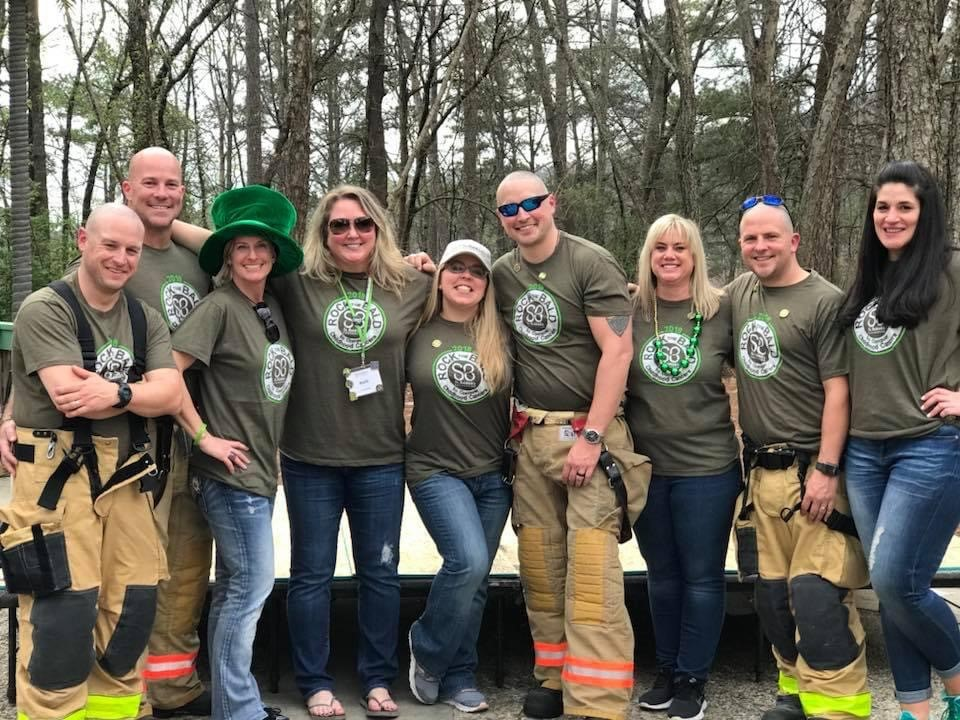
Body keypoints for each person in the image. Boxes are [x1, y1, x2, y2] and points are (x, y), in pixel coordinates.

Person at [0, 146, 217, 718]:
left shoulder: (144, 315)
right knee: (63, 616)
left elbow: (169, 392)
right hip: (58, 472)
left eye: (131, 249)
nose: (121, 258)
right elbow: (72, 396)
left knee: (130, 611)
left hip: (131, 471)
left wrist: (118, 393)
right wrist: (139, 392)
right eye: (110, 246)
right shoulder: (48, 307)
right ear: (83, 242)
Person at [492, 171, 648, 720]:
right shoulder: (501, 274)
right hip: (531, 438)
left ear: (552, 203)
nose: (522, 215)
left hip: (591, 436)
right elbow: (454, 295)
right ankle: (553, 678)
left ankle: (598, 700)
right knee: (540, 564)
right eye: (510, 208)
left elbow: (619, 353)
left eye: (531, 202)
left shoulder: (590, 263)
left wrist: (590, 438)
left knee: (591, 569)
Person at [272, 186, 432, 718]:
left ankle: (377, 678)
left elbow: (473, 288)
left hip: (381, 457)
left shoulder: (410, 284)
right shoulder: (296, 282)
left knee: (380, 575)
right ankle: (315, 680)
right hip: (308, 455)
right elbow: (230, 249)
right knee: (310, 575)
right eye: (338, 225)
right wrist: (147, 221)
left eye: (363, 223)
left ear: (379, 229)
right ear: (322, 233)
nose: (352, 234)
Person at [727, 195, 870, 720]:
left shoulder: (824, 300)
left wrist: (828, 470)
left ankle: (840, 708)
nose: (759, 246)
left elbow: (840, 392)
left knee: (816, 595)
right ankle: (797, 691)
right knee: (771, 596)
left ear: (794, 240)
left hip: (814, 470)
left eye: (770, 236)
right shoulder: (741, 293)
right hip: (760, 474)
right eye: (750, 238)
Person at [171, 185, 302, 720]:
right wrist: (204, 436)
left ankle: (232, 704)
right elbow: (168, 374)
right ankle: (241, 709)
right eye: (241, 247)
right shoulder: (218, 308)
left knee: (235, 588)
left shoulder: (267, 306)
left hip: (257, 476)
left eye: (262, 247)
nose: (253, 256)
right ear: (227, 256)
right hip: (228, 476)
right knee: (251, 588)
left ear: (274, 256)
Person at [837, 161, 960, 720]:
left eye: (904, 207)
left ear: (925, 212)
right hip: (864, 452)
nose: (891, 217)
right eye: (882, 207)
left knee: (892, 579)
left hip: (929, 445)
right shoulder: (869, 278)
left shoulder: (952, 272)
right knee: (892, 588)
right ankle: (918, 710)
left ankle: (957, 678)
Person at [625, 214, 739, 720]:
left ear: (696, 255)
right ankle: (667, 669)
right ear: (648, 257)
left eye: (680, 248)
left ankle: (694, 677)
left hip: (708, 467)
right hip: (648, 467)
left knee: (701, 576)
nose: (669, 256)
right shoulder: (628, 310)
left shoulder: (722, 310)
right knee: (662, 576)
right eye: (659, 248)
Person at [405, 239, 512, 714]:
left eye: (476, 271)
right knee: (466, 561)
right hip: (433, 468)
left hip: (493, 474)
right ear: (440, 276)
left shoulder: (502, 333)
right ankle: (427, 649)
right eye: (455, 268)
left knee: (479, 578)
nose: (465, 277)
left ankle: (459, 674)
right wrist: (409, 265)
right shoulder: (415, 326)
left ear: (487, 283)